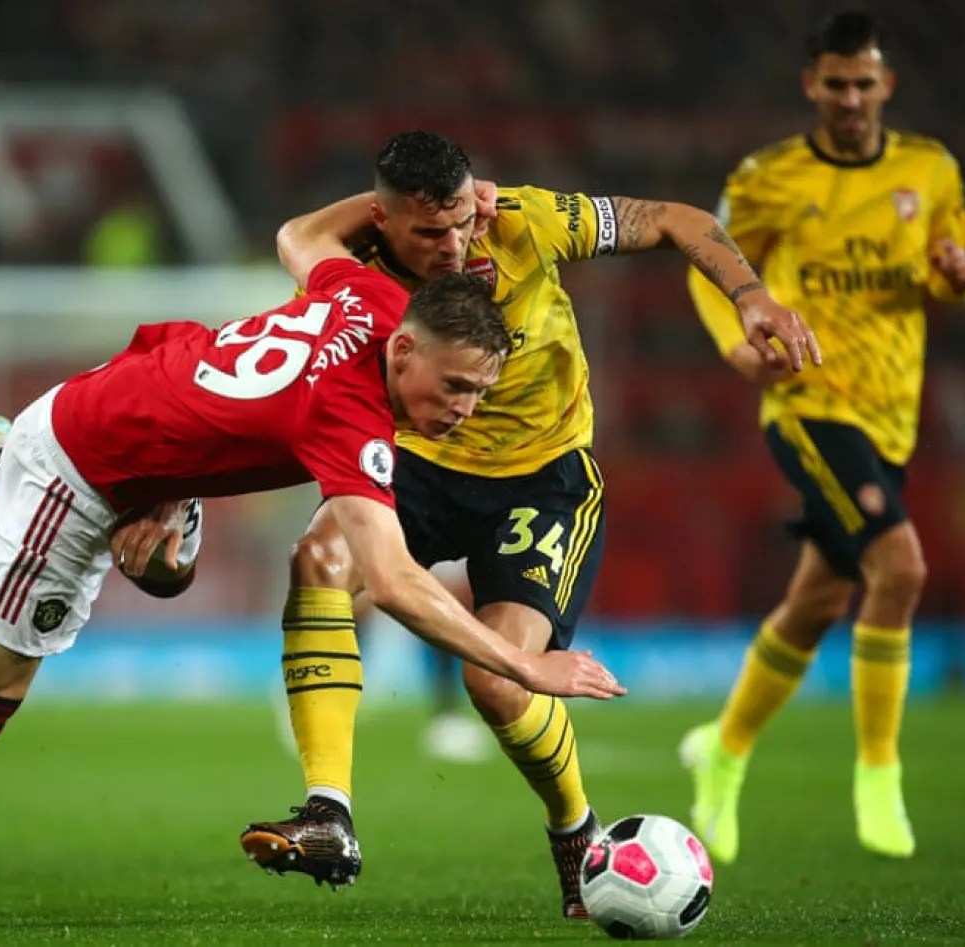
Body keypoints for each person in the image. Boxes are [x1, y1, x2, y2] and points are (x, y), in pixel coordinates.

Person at [0, 207, 629, 928]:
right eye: (456, 387)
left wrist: (410, 207)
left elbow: (305, 234)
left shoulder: (374, 300)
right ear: (406, 350)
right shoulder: (351, 416)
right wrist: (526, 664)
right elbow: (391, 583)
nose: (465, 409)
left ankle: (17, 447)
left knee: (168, 564)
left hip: (132, 412)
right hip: (82, 472)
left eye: (481, 391)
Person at [235, 130, 821, 918]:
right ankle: (328, 810)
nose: (452, 245)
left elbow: (676, 219)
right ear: (381, 218)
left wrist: (749, 295)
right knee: (318, 559)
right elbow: (295, 236)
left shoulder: (524, 221)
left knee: (497, 679)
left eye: (459, 223)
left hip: (541, 481)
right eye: (428, 231)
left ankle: (573, 826)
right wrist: (386, 215)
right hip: (418, 460)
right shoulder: (356, 262)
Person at [679, 11, 965, 865]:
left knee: (815, 602)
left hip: (892, 414)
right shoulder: (771, 176)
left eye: (864, 82)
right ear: (812, 85)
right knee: (902, 567)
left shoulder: (931, 170)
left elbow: (948, 270)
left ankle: (725, 752)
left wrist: (958, 278)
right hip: (809, 404)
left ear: (887, 84)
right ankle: (879, 771)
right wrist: (735, 340)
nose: (851, 98)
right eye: (836, 83)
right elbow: (710, 253)